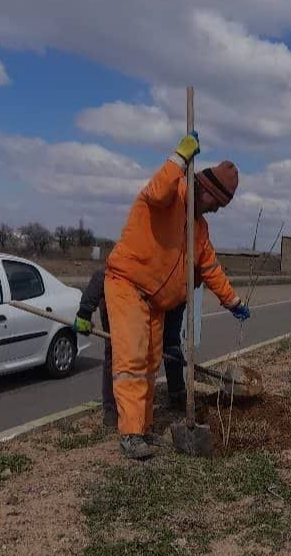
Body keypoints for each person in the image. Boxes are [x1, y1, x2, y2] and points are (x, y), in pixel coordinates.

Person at [103, 131, 250, 460]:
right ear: (204, 189)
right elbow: (155, 192)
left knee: (150, 366)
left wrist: (233, 302)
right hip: (128, 284)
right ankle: (129, 434)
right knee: (132, 362)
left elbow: (210, 268)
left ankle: (142, 428)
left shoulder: (198, 229)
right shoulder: (171, 194)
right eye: (216, 203)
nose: (215, 211)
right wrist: (179, 157)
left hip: (156, 301)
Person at [73, 270, 188, 429]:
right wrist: (84, 312)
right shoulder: (127, 261)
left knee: (169, 346)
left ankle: (176, 395)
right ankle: (112, 409)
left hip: (155, 297)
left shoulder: (173, 273)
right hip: (116, 299)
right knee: (114, 352)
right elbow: (101, 275)